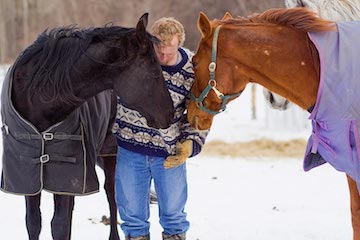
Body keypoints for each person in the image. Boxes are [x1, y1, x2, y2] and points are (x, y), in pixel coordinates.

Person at [112, 17, 208, 240]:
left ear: (180, 43)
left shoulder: (192, 71)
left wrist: (191, 143)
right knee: (132, 217)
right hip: (130, 149)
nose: (163, 57)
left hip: (169, 153)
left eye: (170, 51)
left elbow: (199, 114)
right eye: (159, 50)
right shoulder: (134, 61)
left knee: (174, 215)